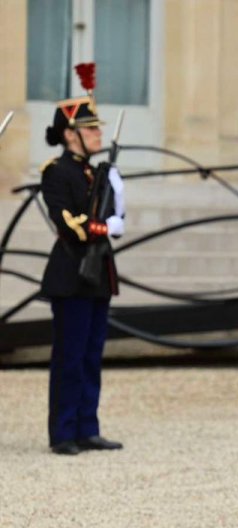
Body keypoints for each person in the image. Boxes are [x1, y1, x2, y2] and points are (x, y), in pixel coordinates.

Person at [40, 88, 126, 455]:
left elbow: (116, 217)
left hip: (98, 272)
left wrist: (117, 197)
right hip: (71, 273)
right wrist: (105, 226)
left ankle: (87, 427)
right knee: (70, 357)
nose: (97, 134)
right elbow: (68, 223)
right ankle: (63, 432)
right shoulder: (56, 172)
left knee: (91, 355)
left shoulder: (97, 173)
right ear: (69, 134)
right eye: (90, 129)